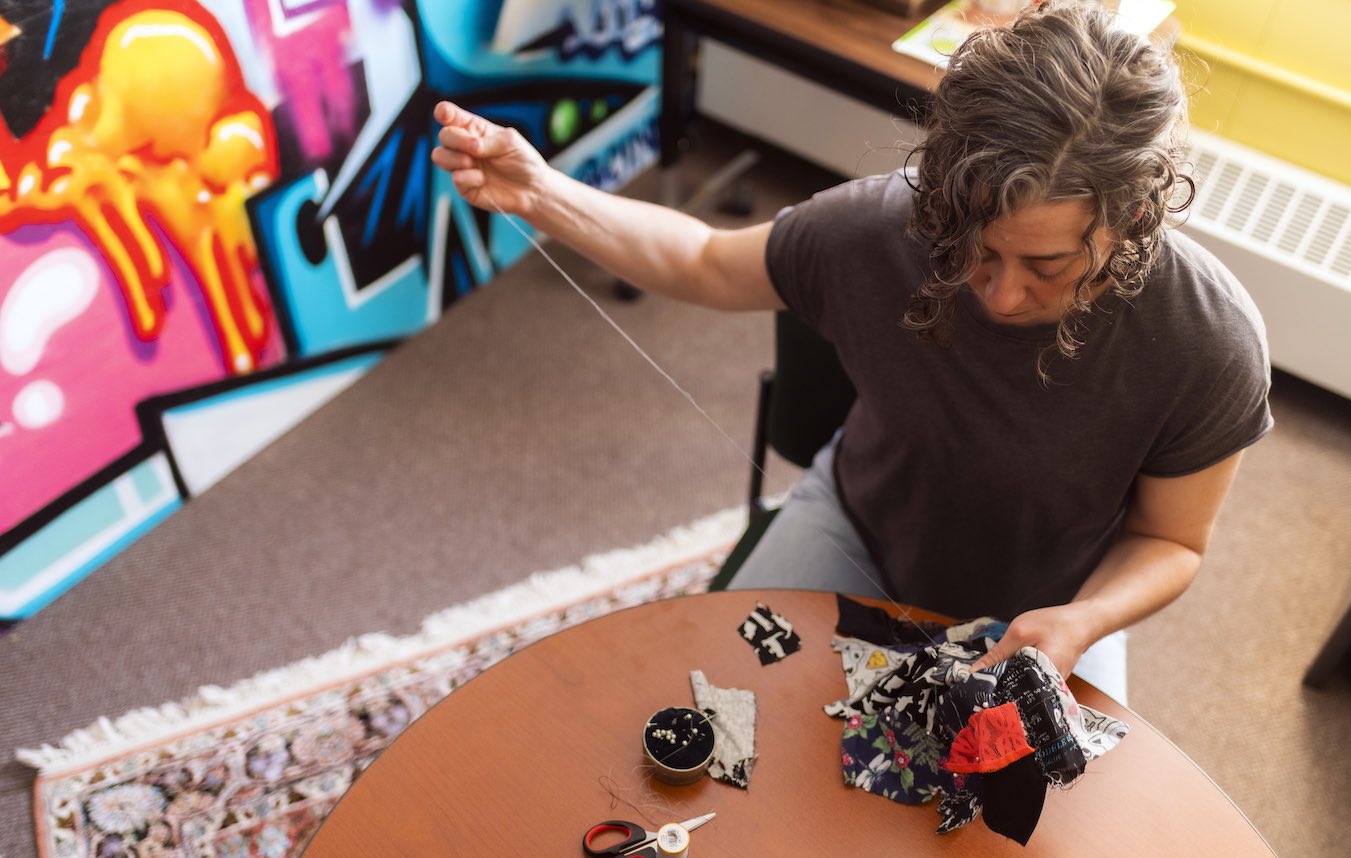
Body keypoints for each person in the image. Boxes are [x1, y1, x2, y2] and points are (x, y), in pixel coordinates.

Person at [429, 1, 1272, 705]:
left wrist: (1084, 622)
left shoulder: (1209, 341)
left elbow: (1175, 542)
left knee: (1030, 854)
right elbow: (700, 259)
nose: (1003, 293)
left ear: (1131, 222)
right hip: (858, 527)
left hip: (1062, 603)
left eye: (1048, 267)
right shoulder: (883, 226)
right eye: (976, 249)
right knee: (714, 710)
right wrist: (539, 191)